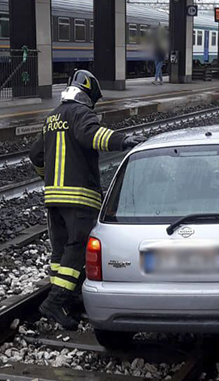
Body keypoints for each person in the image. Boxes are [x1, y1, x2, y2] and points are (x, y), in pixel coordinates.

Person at [30, 70, 145, 329]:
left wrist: (47, 178)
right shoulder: (81, 113)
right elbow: (90, 135)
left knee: (60, 251)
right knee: (79, 246)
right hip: (79, 196)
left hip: (54, 197)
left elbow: (35, 155)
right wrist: (122, 140)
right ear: (88, 94)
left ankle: (67, 299)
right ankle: (54, 302)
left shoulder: (52, 117)